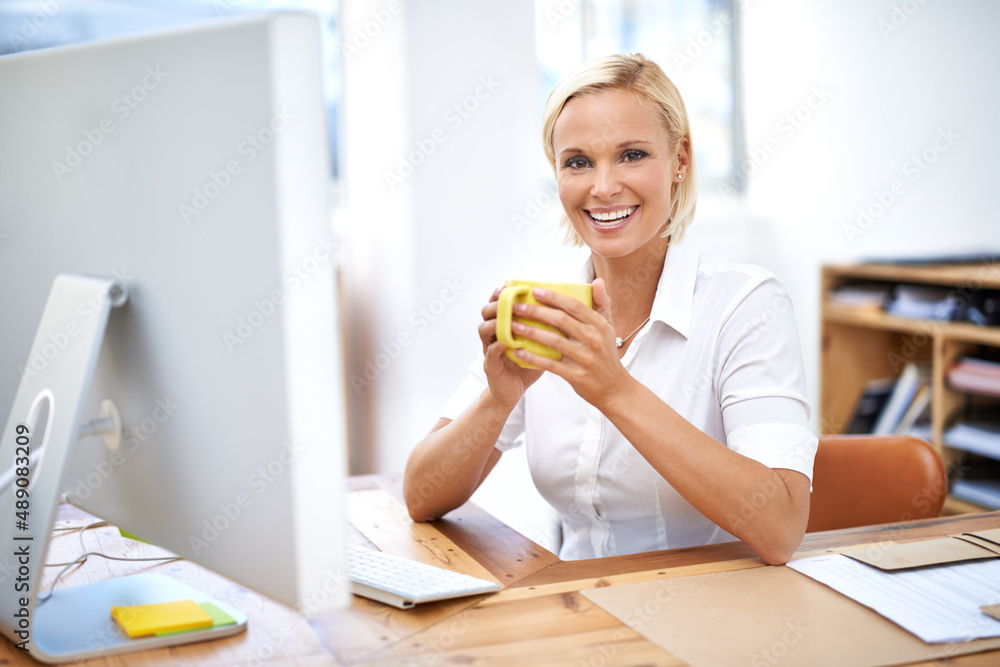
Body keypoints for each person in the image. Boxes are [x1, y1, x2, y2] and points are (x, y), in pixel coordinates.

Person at [403, 53, 817, 565]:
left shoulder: (747, 304)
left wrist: (614, 389)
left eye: (632, 155)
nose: (602, 187)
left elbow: (781, 528)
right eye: (578, 162)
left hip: (715, 614)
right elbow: (421, 496)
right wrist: (497, 400)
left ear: (681, 161)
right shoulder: (547, 312)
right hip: (578, 609)